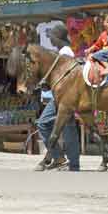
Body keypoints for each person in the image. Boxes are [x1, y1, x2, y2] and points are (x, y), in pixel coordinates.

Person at [34, 24, 80, 172]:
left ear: (58, 37)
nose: (51, 40)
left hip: (64, 97)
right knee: (68, 127)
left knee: (45, 123)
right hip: (65, 96)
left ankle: (61, 158)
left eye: (52, 37)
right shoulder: (63, 51)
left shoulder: (65, 52)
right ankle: (70, 162)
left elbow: (65, 76)